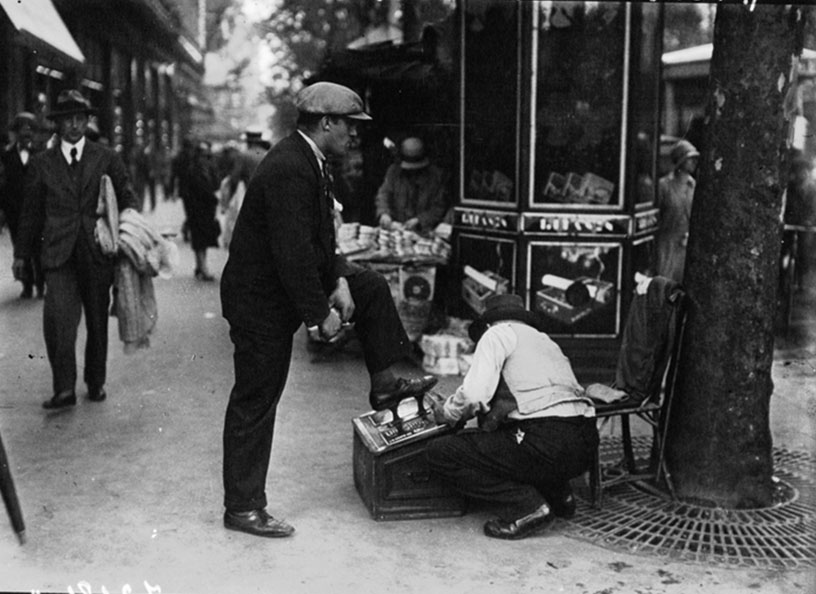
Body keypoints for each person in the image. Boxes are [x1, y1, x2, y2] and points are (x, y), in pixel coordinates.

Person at [220, 81, 437, 538]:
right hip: (259, 301)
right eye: (350, 127)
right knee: (256, 399)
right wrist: (321, 315)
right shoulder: (289, 168)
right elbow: (292, 253)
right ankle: (242, 507)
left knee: (372, 285)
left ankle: (384, 381)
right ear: (326, 123)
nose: (354, 137)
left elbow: (320, 239)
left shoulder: (311, 161)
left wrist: (340, 277)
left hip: (282, 285)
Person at [426, 293, 598, 540]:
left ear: (487, 323)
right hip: (584, 444)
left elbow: (474, 395)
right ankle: (561, 497)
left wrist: (448, 413)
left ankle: (527, 507)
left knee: (442, 452)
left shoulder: (496, 334)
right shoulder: (545, 340)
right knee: (514, 439)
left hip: (545, 440)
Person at [12, 89, 139, 410]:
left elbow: (127, 198)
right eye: (67, 120)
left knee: (97, 322)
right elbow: (31, 212)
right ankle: (64, 388)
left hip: (97, 251)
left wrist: (131, 235)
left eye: (79, 119)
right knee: (59, 322)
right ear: (57, 124)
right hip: (57, 253)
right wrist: (21, 255)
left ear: (86, 121)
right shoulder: (43, 164)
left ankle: (95, 381)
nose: (74, 125)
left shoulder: (106, 157)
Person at [0, 112, 44, 298]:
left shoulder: (42, 155)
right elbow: (3, 184)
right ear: (16, 133)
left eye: (30, 130)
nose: (26, 134)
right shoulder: (7, 156)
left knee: (39, 249)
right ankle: (26, 284)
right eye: (22, 130)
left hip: (38, 211)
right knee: (20, 247)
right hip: (15, 212)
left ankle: (41, 284)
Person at [375, 136, 448, 234]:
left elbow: (439, 207)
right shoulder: (393, 172)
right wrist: (384, 214)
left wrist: (419, 220)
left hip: (424, 232)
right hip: (396, 231)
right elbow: (383, 195)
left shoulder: (436, 177)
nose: (412, 171)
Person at [655, 139, 699, 282]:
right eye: (689, 159)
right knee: (665, 283)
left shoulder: (694, 186)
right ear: (680, 161)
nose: (693, 162)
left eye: (694, 159)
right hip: (667, 243)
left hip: (686, 244)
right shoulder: (664, 186)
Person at [185, 139, 220, 280]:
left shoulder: (205, 168)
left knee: (201, 238)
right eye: (203, 155)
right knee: (200, 239)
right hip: (199, 208)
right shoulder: (195, 170)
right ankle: (203, 267)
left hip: (204, 208)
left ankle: (200, 266)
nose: (205, 158)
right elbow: (203, 188)